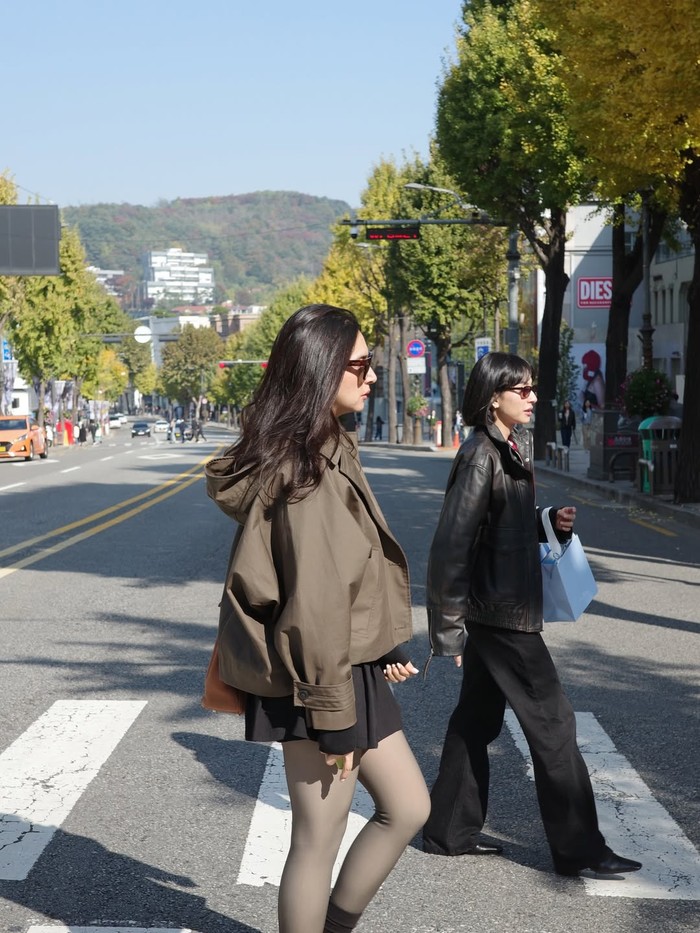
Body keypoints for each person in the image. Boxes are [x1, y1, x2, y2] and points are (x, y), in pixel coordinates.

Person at [206, 304, 430, 933]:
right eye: (360, 364)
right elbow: (313, 602)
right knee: (319, 835)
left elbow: (347, 582)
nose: (372, 376)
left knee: (408, 807)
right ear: (321, 370)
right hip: (320, 677)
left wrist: (381, 647)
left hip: (343, 665)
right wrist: (332, 714)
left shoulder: (328, 448)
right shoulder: (306, 472)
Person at [422, 351, 642, 878]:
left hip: (498, 608)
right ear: (493, 396)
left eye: (531, 389)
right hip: (501, 616)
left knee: (476, 718)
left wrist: (549, 522)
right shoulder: (482, 454)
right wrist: (447, 631)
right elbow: (452, 545)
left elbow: (499, 521)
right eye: (521, 389)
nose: (532, 397)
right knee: (555, 726)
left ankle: (447, 830)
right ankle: (580, 850)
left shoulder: (503, 448)